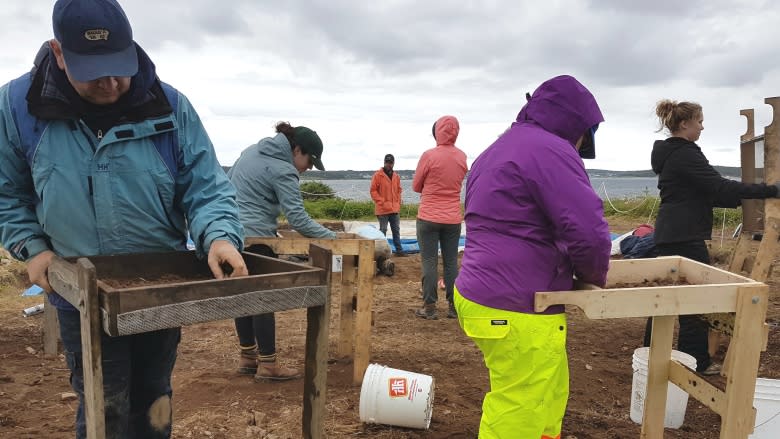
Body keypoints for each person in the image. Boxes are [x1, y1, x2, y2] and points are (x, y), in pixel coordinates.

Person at [0, 0, 247, 437]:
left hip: (159, 288)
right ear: (59, 53)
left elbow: (206, 187)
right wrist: (33, 249)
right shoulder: (18, 108)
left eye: (119, 65)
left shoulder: (170, 106)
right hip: (79, 289)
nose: (111, 81)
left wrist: (220, 237)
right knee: (103, 402)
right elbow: (7, 193)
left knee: (154, 396)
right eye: (93, 70)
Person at [453, 75, 611, 438]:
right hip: (518, 304)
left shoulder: (500, 147)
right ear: (577, 124)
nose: (581, 143)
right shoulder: (550, 150)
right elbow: (588, 229)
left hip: (487, 292)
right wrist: (593, 276)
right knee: (520, 407)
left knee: (548, 393)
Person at [643, 99, 780, 375]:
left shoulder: (671, 153)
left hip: (671, 233)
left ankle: (649, 353)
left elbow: (708, 192)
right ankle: (696, 361)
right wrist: (770, 190)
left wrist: (747, 198)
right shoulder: (685, 154)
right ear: (685, 124)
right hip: (685, 235)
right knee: (696, 300)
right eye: (700, 121)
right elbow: (718, 186)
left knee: (664, 296)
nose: (702, 127)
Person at [228, 121, 336, 380]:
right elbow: (299, 220)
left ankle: (247, 357)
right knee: (264, 297)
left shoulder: (251, 151)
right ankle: (268, 364)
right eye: (309, 161)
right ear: (296, 149)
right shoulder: (283, 170)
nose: (308, 168)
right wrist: (333, 237)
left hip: (231, 234)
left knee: (242, 294)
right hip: (258, 239)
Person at [413, 115, 468, 320]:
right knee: (451, 262)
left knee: (429, 260)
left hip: (428, 216)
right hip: (453, 217)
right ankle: (454, 307)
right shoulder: (462, 157)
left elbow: (416, 186)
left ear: (437, 132)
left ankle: (429, 306)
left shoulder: (429, 155)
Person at [370, 153, 405, 256]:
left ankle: (399, 250)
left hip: (394, 209)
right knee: (383, 230)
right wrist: (381, 202)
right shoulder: (377, 175)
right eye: (387, 162)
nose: (389, 164)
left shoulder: (396, 176)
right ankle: (381, 252)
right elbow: (373, 191)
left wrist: (398, 203)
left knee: (396, 230)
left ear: (393, 163)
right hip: (382, 210)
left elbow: (399, 190)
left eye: (391, 162)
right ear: (384, 162)